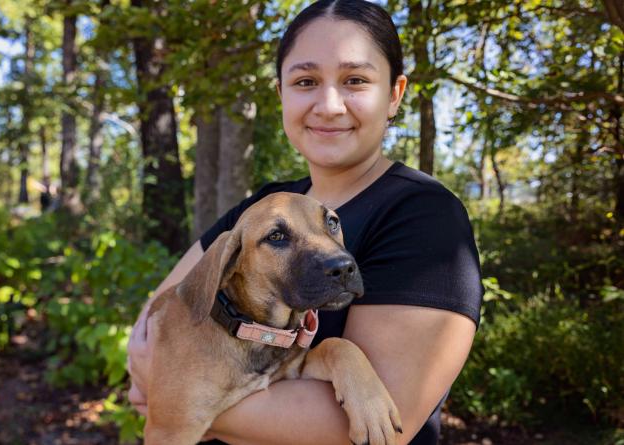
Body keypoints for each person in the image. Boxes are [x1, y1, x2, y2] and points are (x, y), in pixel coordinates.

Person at [127, 1, 483, 444]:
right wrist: (164, 378)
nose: (329, 105)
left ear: (394, 93)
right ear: (282, 95)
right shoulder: (261, 208)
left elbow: (383, 429)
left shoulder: (425, 216)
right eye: (306, 81)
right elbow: (157, 322)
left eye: (355, 80)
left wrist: (180, 399)